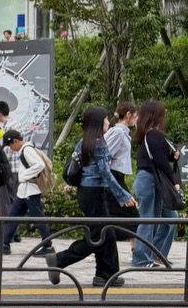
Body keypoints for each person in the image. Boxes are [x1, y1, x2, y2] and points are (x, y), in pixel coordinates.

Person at [46, 108, 137, 290]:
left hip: (86, 192)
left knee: (106, 234)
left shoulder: (84, 142)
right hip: (95, 194)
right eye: (105, 120)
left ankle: (105, 275)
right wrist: (123, 195)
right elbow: (106, 173)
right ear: (97, 123)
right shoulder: (98, 144)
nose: (107, 122)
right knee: (98, 235)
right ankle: (59, 260)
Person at [129, 100, 179, 270]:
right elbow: (161, 162)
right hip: (150, 179)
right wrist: (175, 182)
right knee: (149, 219)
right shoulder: (154, 135)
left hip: (148, 178)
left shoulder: (147, 135)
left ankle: (152, 255)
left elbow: (161, 157)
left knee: (155, 218)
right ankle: (142, 258)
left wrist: (173, 157)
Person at [2, 129, 57, 272]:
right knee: (13, 216)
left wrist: (24, 176)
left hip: (31, 191)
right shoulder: (25, 150)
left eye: (10, 146)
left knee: (38, 218)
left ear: (15, 141)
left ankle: (48, 246)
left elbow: (40, 165)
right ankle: (5, 243)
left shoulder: (26, 150)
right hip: (25, 191)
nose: (11, 150)